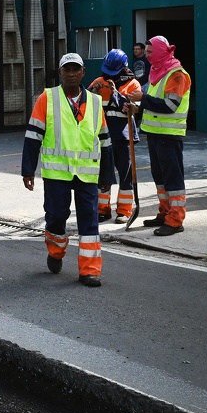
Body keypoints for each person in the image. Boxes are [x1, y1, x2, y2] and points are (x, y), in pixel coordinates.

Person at [22, 53, 114, 288]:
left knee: (89, 222)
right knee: (55, 218)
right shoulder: (47, 98)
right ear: (60, 73)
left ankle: (90, 270)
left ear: (83, 72)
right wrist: (28, 170)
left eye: (76, 69)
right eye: (67, 70)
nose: (71, 74)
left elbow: (104, 139)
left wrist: (107, 175)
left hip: (87, 173)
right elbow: (33, 136)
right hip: (57, 174)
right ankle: (56, 251)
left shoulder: (95, 102)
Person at [125, 36, 191, 236]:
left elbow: (170, 106)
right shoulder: (157, 72)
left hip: (169, 135)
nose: (147, 55)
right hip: (155, 134)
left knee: (172, 179)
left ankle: (176, 219)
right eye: (146, 51)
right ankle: (165, 213)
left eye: (150, 51)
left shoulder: (176, 74)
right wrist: (135, 107)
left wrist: (142, 99)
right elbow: (154, 105)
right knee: (160, 177)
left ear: (162, 51)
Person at [87, 49, 140, 224]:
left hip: (123, 136)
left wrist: (115, 92)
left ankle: (124, 211)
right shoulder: (98, 82)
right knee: (103, 174)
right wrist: (93, 91)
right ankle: (103, 210)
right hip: (102, 136)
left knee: (125, 174)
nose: (107, 76)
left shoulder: (133, 85)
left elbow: (130, 108)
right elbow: (84, 104)